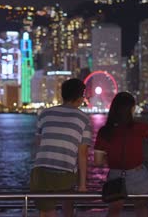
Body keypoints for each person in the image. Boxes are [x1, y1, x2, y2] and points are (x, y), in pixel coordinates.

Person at [30, 78, 92, 217]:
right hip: (65, 174)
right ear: (80, 97)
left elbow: (38, 144)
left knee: (46, 211)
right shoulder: (83, 118)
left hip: (40, 171)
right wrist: (82, 185)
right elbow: (82, 154)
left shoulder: (45, 113)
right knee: (68, 201)